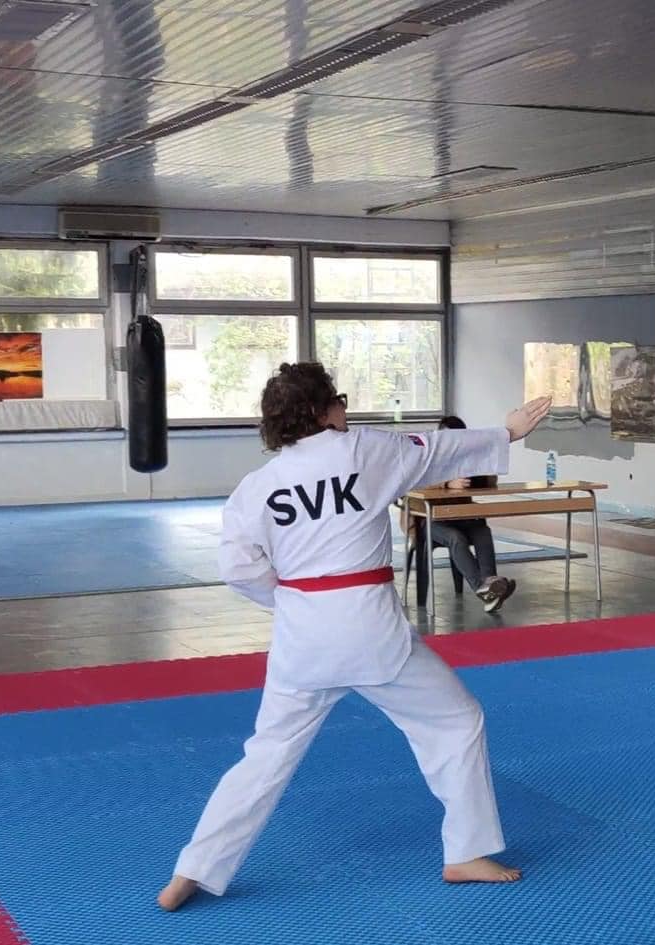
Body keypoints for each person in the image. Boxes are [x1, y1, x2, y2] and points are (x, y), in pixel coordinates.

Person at [156, 362, 551, 912]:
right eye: (338, 400)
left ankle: (193, 870)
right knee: (456, 722)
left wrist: (291, 600)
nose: (346, 408)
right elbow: (436, 450)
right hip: (372, 633)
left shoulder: (256, 488)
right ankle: (466, 851)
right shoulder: (364, 450)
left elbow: (238, 570)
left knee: (265, 755)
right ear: (322, 411)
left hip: (302, 640)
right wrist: (505, 432)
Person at [410, 415, 516, 613]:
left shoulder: (466, 457)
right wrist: (446, 483)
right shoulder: (427, 455)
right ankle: (483, 590)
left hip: (459, 516)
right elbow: (414, 482)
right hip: (428, 520)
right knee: (456, 538)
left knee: (482, 531)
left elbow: (490, 483)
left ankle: (491, 582)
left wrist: (484, 467)